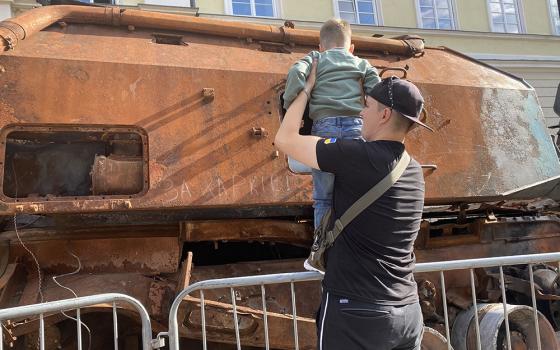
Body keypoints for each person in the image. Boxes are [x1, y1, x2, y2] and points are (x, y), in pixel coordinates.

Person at [275, 58, 432, 349]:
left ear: (384, 114)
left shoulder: (358, 157)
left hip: (358, 312)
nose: (360, 112)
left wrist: (305, 90)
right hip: (407, 312)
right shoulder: (414, 170)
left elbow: (284, 139)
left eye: (367, 106)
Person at [283, 18, 381, 229]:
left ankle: (321, 251)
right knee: (358, 194)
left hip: (324, 129)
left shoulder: (316, 57)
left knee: (324, 198)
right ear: (351, 48)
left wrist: (291, 104)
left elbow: (295, 73)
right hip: (356, 128)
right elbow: (377, 91)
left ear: (321, 45)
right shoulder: (361, 63)